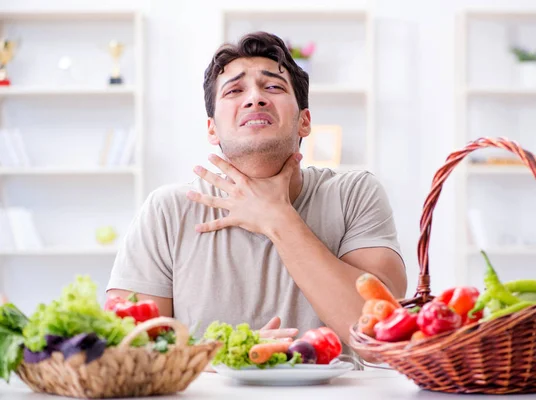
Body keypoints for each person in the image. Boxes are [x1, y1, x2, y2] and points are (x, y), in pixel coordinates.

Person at [106, 31, 407, 354]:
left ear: (304, 121)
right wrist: (232, 350)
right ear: (212, 129)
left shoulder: (354, 194)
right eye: (235, 90)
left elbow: (379, 338)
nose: (255, 98)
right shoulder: (167, 210)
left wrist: (276, 217)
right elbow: (126, 352)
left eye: (273, 87)